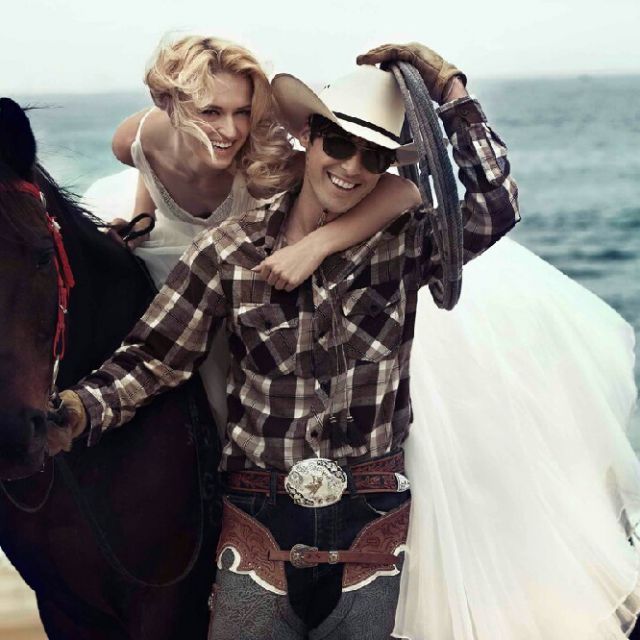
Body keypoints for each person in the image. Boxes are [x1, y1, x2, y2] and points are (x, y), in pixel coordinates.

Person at [50, 42, 519, 638]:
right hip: (258, 512)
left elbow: (495, 205)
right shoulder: (228, 251)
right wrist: (75, 410)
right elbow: (154, 359)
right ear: (309, 140)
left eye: (374, 156)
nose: (352, 168)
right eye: (339, 145)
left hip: (371, 512)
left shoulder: (403, 245)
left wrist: (450, 88)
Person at [83, 35, 420, 433]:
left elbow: (403, 191)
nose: (230, 130)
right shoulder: (130, 141)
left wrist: (317, 245)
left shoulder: (265, 154)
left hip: (244, 279)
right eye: (211, 111)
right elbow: (149, 166)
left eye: (242, 112)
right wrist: (142, 216)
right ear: (170, 105)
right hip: (173, 261)